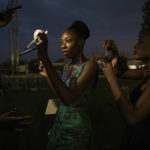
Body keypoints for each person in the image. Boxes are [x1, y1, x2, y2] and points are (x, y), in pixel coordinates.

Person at [34, 20, 98, 149]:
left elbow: (69, 98)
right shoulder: (67, 67)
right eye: (61, 42)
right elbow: (60, 96)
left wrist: (45, 58)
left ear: (80, 42)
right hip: (60, 124)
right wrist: (47, 76)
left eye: (68, 40)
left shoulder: (90, 65)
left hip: (76, 129)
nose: (63, 45)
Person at [102, 30, 150, 150]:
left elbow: (132, 117)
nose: (135, 45)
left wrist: (110, 78)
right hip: (134, 138)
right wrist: (115, 53)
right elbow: (121, 72)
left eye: (140, 41)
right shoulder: (146, 72)